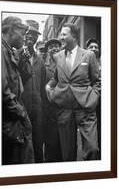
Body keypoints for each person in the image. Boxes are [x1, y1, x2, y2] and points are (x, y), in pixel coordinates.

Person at [45, 23, 101, 161]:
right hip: (64, 109)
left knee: (92, 149)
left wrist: (94, 97)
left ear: (74, 36)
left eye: (64, 34)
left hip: (85, 108)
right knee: (67, 154)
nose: (61, 37)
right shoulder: (57, 56)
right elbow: (56, 78)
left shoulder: (88, 55)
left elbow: (98, 81)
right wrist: (49, 88)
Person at [2, 16, 34, 165]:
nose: (24, 37)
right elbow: (3, 90)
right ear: (10, 30)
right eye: (21, 33)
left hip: (13, 119)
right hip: (11, 119)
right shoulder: (1, 51)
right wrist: (20, 111)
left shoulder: (8, 51)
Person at [18, 20, 46, 163]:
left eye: (34, 34)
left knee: (38, 141)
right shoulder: (17, 55)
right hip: (23, 107)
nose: (31, 36)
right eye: (28, 33)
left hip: (38, 109)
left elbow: (43, 86)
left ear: (37, 38)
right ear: (24, 34)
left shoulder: (40, 60)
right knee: (24, 144)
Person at [43, 38, 62, 162]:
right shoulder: (43, 65)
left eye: (56, 46)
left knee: (64, 143)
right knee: (51, 142)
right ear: (48, 50)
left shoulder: (66, 62)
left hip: (63, 109)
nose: (54, 48)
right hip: (48, 110)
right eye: (51, 47)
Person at [86, 38, 101, 159]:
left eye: (96, 47)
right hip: (90, 105)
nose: (94, 49)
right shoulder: (84, 65)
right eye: (91, 47)